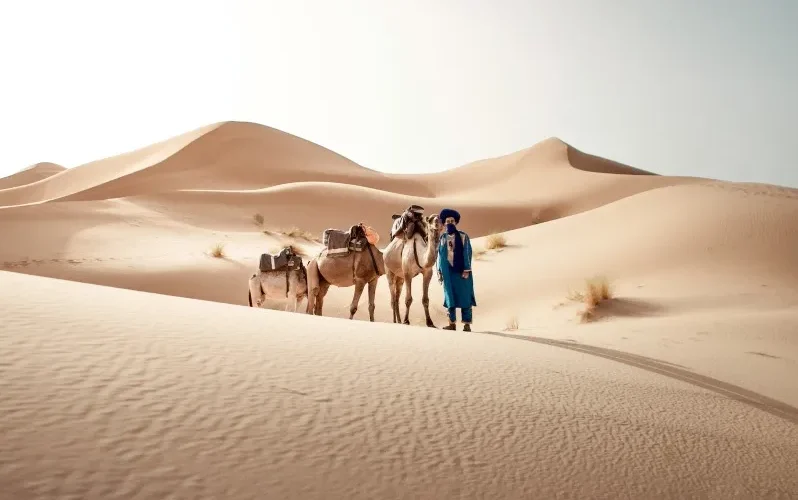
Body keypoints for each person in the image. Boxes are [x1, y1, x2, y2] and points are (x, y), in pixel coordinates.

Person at [436, 208, 476, 331]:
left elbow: (468, 253)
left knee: (465, 297)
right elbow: (439, 255)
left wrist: (466, 269)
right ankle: (451, 323)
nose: (449, 223)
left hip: (461, 272)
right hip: (447, 272)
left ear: (456, 222)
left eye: (452, 221)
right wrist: (439, 271)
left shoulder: (464, 236)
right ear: (444, 223)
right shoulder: (442, 238)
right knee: (450, 297)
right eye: (447, 221)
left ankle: (467, 324)